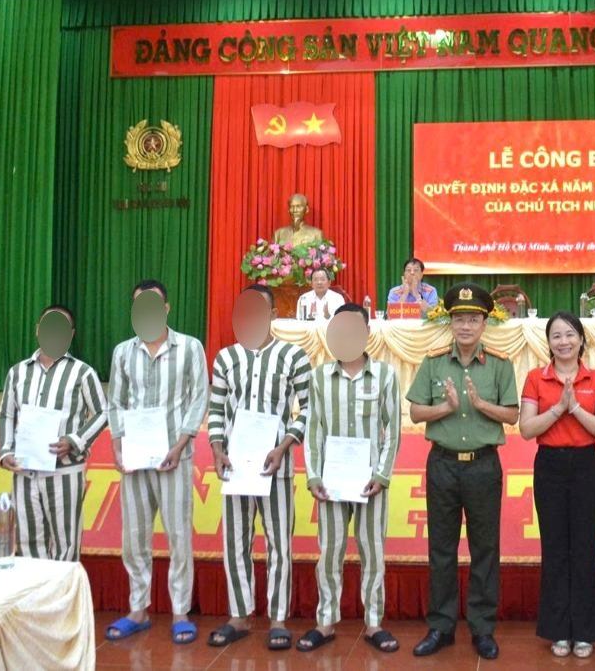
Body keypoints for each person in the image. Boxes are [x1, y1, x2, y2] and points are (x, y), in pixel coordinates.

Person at [407, 283, 518, 660]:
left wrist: (481, 403)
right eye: (459, 319)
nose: (466, 326)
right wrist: (446, 409)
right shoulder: (434, 361)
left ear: (484, 323)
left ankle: (482, 629)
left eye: (473, 319)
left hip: (484, 466)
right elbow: (416, 412)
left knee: (485, 549)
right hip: (442, 465)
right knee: (441, 549)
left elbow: (513, 415)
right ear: (451, 323)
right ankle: (440, 626)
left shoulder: (501, 364)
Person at [207, 285, 311, 651]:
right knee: (235, 542)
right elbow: (217, 410)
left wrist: (285, 445)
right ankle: (239, 614)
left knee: (279, 544)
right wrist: (217, 449)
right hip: (235, 464)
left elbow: (308, 409)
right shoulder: (225, 358)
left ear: (271, 314)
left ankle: (278, 618)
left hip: (275, 465)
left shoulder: (293, 356)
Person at [105, 280, 208, 644]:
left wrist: (180, 444)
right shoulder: (122, 353)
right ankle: (138, 609)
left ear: (166, 308)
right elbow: (115, 401)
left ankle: (180, 611)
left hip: (174, 456)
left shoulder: (190, 347)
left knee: (178, 534)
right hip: (134, 458)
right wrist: (117, 447)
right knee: (134, 537)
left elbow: (199, 398)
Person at [297, 303, 402, 653]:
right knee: (330, 552)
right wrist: (313, 476)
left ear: (367, 333)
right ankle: (325, 622)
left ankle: (374, 623)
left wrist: (382, 475)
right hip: (331, 482)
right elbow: (313, 430)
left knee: (373, 552)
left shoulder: (386, 375)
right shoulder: (319, 377)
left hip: (371, 481)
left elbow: (393, 432)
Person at [519, 312, 595, 659]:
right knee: (555, 548)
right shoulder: (535, 379)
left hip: (587, 465)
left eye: (570, 335)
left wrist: (575, 407)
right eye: (556, 336)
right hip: (550, 467)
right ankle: (559, 630)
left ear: (581, 340)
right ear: (549, 343)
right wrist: (559, 409)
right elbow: (527, 429)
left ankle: (585, 632)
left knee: (585, 548)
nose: (563, 342)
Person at [0, 304, 106, 563]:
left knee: (66, 542)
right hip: (25, 470)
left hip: (65, 471)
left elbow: (104, 413)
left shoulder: (83, 372)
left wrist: (74, 441)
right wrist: (5, 451)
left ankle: (62, 603)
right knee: (27, 541)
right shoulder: (18, 372)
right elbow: (6, 414)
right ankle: (34, 602)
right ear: (37, 330)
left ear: (71, 334)